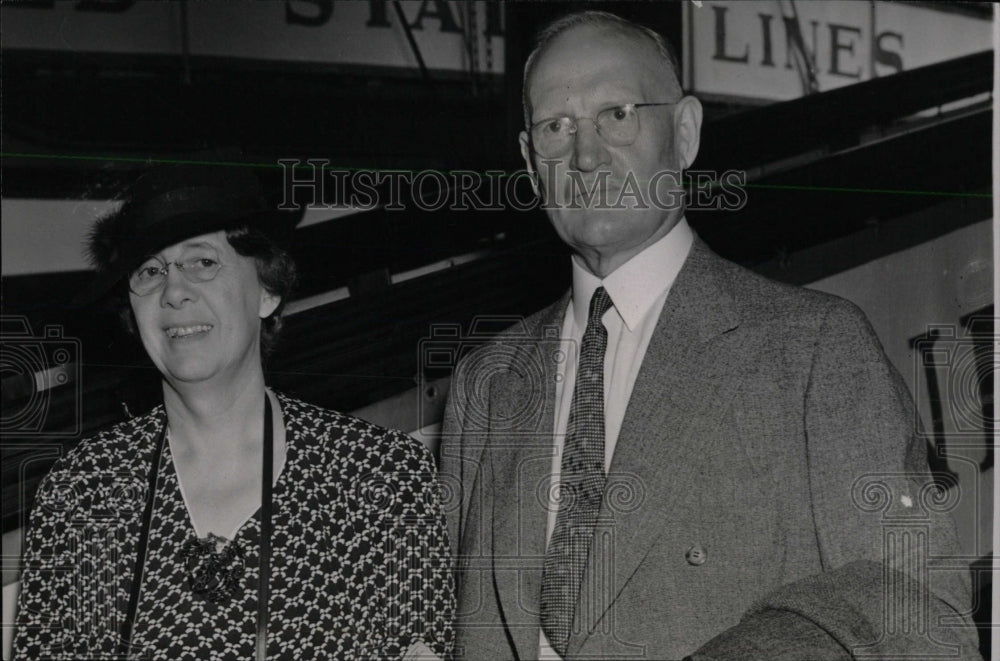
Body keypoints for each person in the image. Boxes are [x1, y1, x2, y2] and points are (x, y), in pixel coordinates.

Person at [439, 10, 979, 660]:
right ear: (530, 161)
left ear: (686, 132)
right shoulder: (486, 384)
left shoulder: (812, 348)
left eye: (618, 114)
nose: (585, 155)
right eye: (557, 127)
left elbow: (919, 614)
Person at [13, 163, 454, 660]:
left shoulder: (381, 476)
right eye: (150, 271)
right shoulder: (83, 492)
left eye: (202, 262)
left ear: (268, 290)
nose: (173, 291)